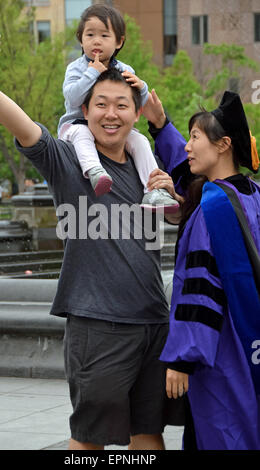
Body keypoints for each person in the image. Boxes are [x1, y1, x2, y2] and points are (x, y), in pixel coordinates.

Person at [0, 31, 186, 450]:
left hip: (154, 322)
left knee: (148, 434)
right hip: (98, 324)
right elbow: (26, 127)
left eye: (122, 105)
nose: (111, 114)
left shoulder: (147, 173)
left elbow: (181, 219)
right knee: (90, 441)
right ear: (84, 110)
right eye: (101, 104)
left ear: (135, 114)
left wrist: (172, 196)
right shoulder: (71, 163)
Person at [147, 89, 260, 450]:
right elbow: (187, 175)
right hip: (252, 341)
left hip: (221, 350)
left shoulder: (212, 209)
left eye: (195, 137)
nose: (188, 147)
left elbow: (200, 287)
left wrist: (183, 358)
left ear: (224, 144)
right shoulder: (251, 195)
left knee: (223, 433)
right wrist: (162, 126)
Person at [58, 4, 179, 213]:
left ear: (119, 41)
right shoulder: (76, 68)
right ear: (81, 39)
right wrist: (92, 74)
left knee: (139, 140)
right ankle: (95, 172)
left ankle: (154, 190)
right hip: (76, 125)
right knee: (82, 133)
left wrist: (142, 88)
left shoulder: (124, 69)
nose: (96, 40)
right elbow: (73, 98)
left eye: (104, 35)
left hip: (112, 128)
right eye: (90, 35)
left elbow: (136, 102)